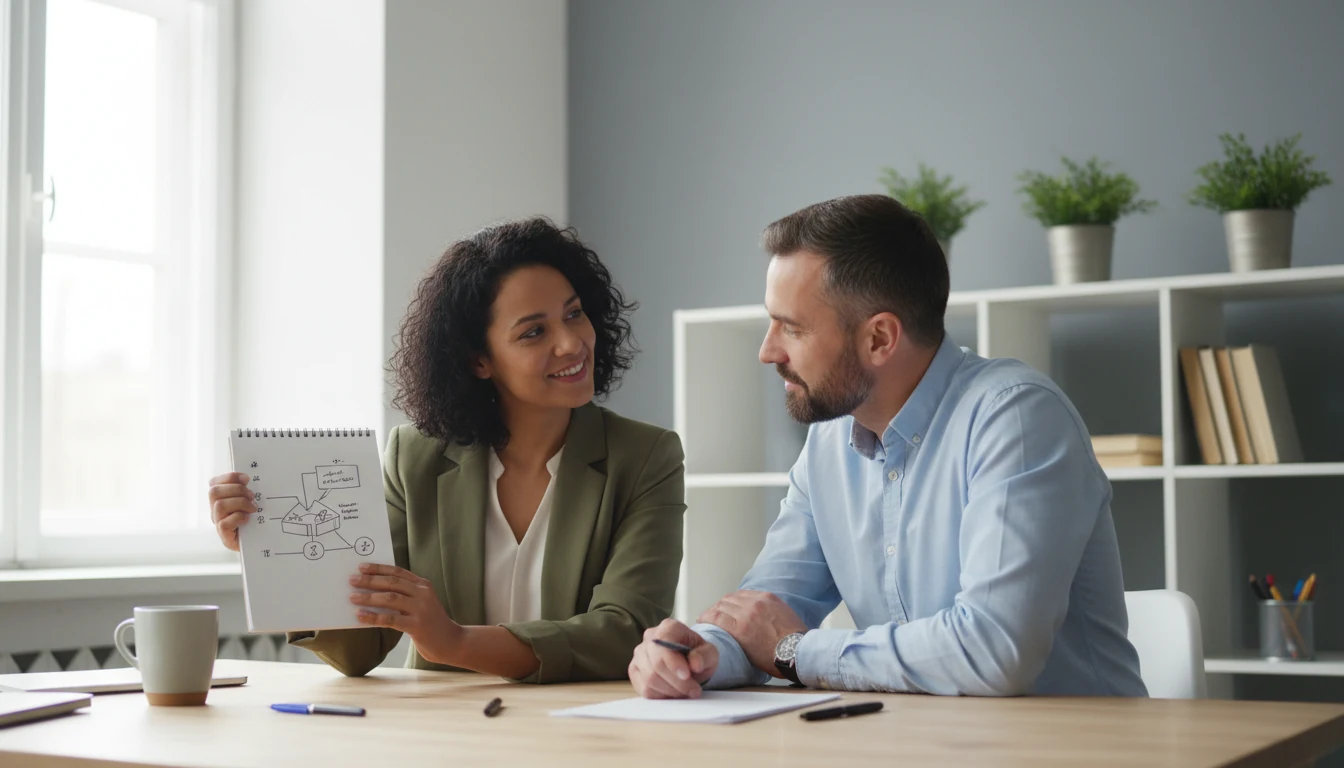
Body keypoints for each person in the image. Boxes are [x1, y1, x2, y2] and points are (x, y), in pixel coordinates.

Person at [628, 194, 1146, 698]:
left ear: (879, 338)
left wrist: (795, 651)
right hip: (922, 739)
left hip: (1072, 743)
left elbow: (994, 652)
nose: (768, 351)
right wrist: (697, 655)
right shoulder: (829, 440)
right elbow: (765, 611)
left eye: (792, 328)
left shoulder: (1016, 418)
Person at [208, 217, 686, 683]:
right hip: (443, 724)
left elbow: (624, 630)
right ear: (479, 361)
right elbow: (358, 648)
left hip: (580, 723)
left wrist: (455, 642)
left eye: (574, 313)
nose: (571, 343)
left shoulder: (646, 457)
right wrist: (274, 552)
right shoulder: (415, 457)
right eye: (533, 332)